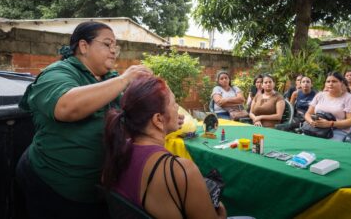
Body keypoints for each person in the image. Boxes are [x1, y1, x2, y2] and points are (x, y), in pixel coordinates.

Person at [16, 21, 153, 219]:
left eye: (116, 46)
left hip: (92, 189)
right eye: (107, 44)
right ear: (83, 46)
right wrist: (124, 80)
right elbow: (66, 107)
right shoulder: (58, 73)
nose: (114, 51)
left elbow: (130, 112)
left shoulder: (107, 79)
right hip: (51, 184)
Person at [102, 76, 227, 219]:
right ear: (158, 120)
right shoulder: (181, 171)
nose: (178, 110)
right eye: (174, 104)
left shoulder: (118, 152)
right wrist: (221, 213)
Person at [305, 72, 351, 141]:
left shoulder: (349, 98)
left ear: (341, 83)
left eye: (334, 81)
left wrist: (330, 124)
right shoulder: (320, 95)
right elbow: (308, 113)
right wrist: (312, 122)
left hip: (338, 131)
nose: (330, 84)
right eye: (328, 81)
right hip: (315, 128)